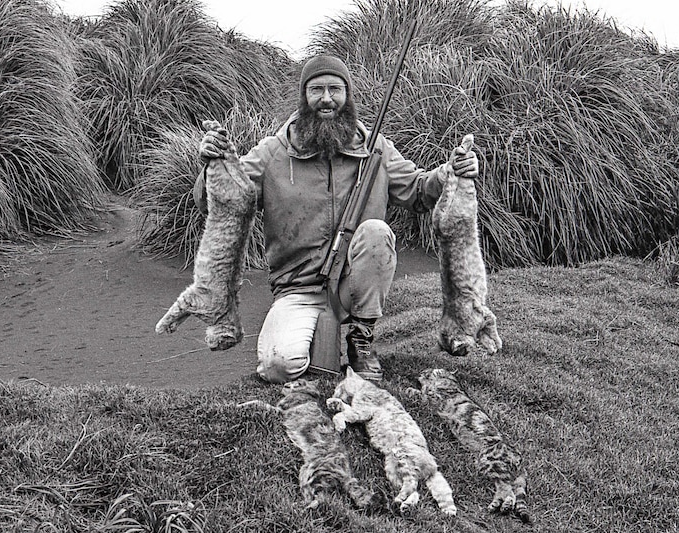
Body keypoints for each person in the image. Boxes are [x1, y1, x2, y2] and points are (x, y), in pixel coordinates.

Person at [195, 54, 478, 384]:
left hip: (353, 288)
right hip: (295, 288)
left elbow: (418, 190)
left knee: (376, 232)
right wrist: (214, 166)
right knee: (279, 367)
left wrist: (449, 174)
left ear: (347, 95)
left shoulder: (376, 149)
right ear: (304, 97)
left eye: (335, 89)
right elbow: (217, 202)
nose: (326, 98)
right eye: (316, 90)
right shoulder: (272, 152)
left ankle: (361, 340)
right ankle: (312, 337)